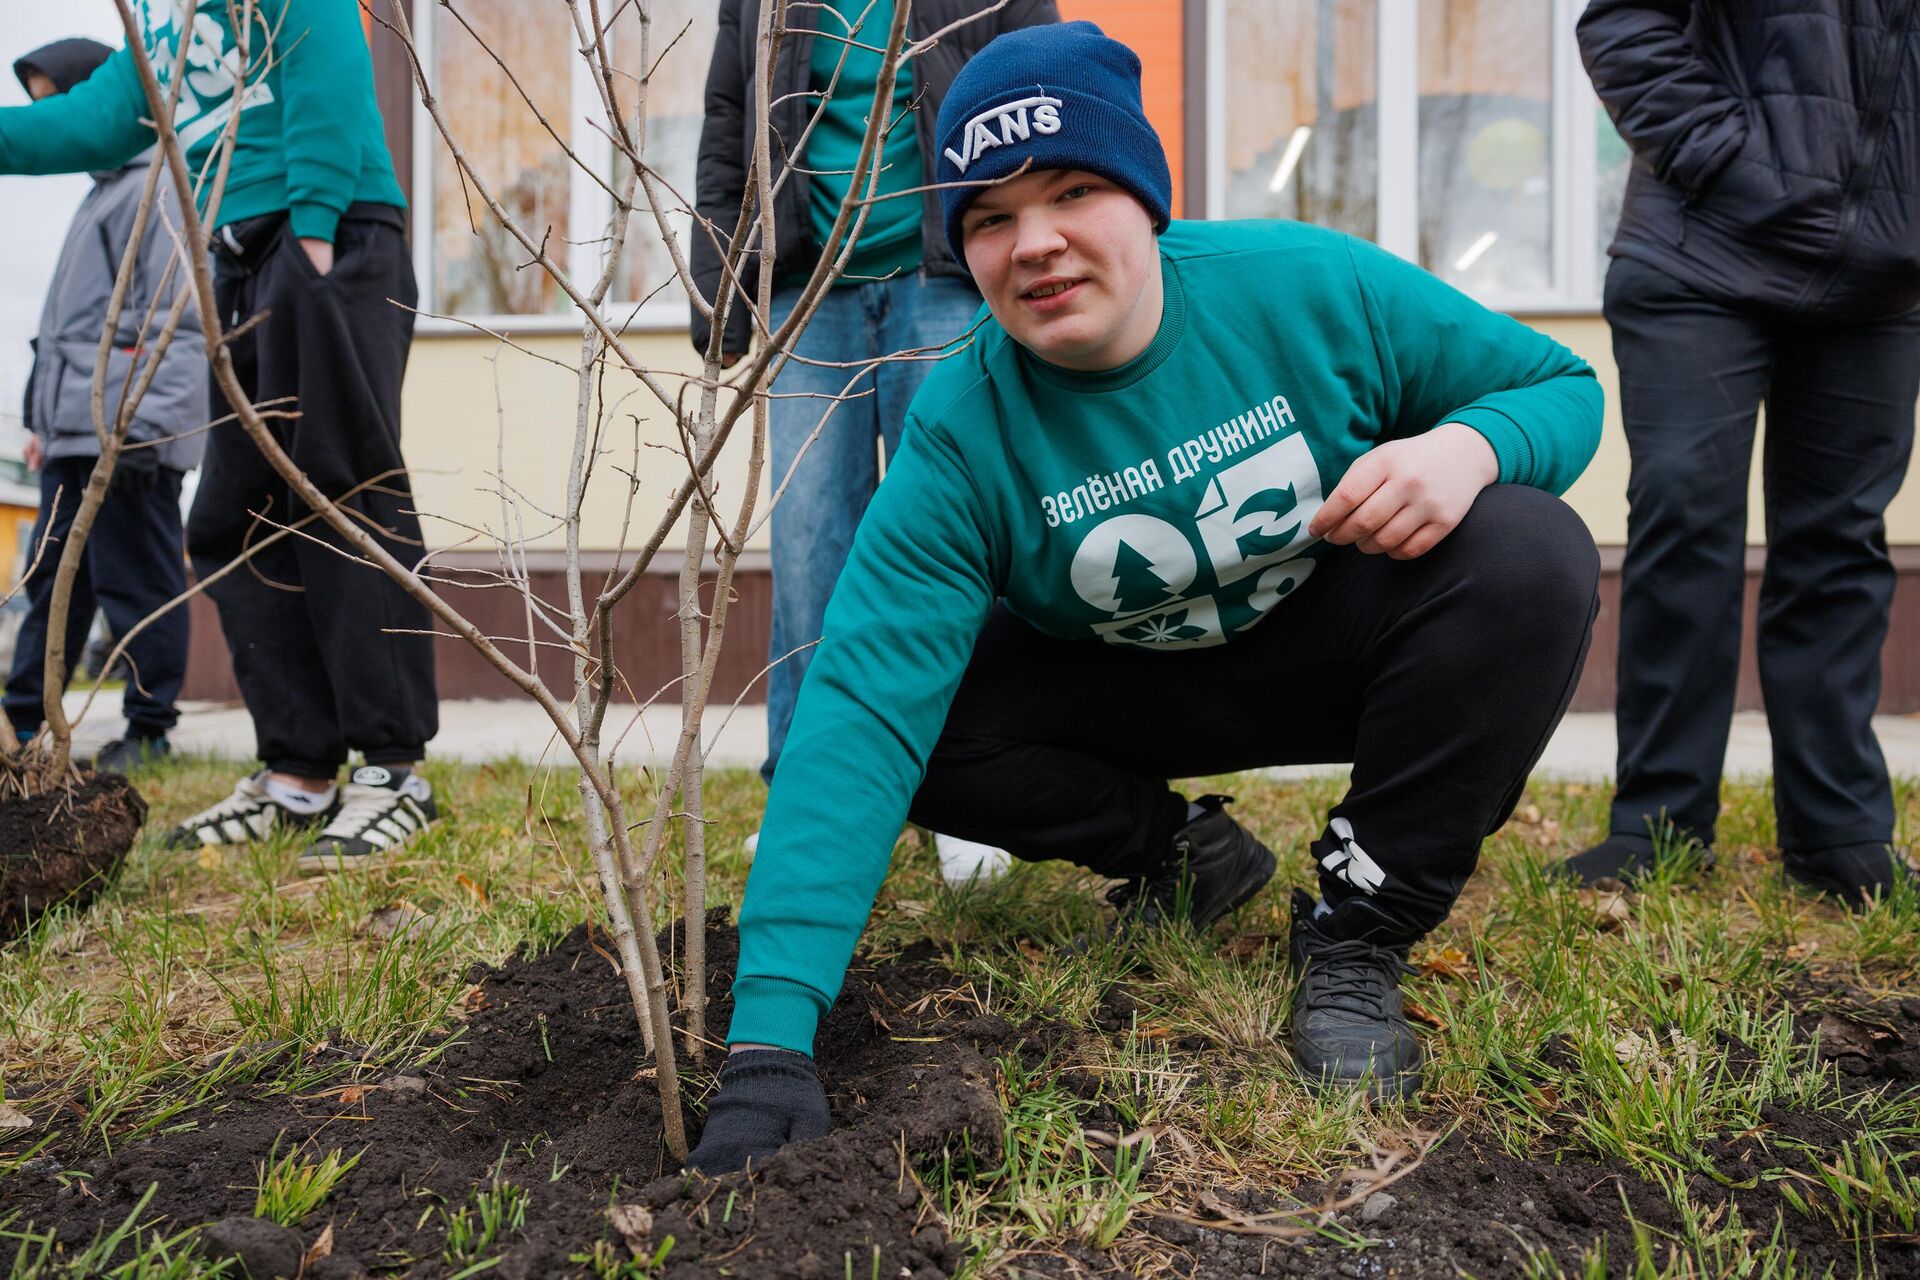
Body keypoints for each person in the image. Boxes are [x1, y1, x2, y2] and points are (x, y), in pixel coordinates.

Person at [683, 21, 1605, 1173]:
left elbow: (1557, 385)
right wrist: (770, 1040)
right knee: (912, 720)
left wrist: (1471, 446)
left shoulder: (1305, 286)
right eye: (988, 216)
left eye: (1072, 190)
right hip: (1124, 687)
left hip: (1331, 649)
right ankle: (1177, 852)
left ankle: (1358, 932)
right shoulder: (963, 430)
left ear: (1146, 197)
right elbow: (860, 709)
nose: (1037, 243)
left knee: (1527, 550)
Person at [0, 2, 441, 869]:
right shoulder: (160, 23)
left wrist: (314, 223)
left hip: (329, 237)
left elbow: (328, 59)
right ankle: (298, 774)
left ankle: (394, 772)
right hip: (236, 262)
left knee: (340, 497)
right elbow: (91, 123)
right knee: (234, 519)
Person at [1564, 2, 1920, 907]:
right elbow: (1624, 25)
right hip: (1702, 255)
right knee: (1688, 516)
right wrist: (1738, 164)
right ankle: (1659, 823)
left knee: (1842, 540)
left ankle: (1841, 833)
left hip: (1880, 280)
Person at [692, 0, 1056, 883]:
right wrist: (718, 293)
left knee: (960, 546)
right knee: (812, 552)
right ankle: (809, 795)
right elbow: (726, 126)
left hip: (946, 281)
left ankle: (972, 793)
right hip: (805, 294)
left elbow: (1044, 92)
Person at [3, 38, 205, 775]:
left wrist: (141, 428)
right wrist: (43, 423)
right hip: (72, 436)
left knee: (138, 581)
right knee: (50, 580)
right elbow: (65, 331)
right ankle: (23, 720)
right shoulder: (101, 194)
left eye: (58, 102)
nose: (49, 120)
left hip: (125, 436)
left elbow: (175, 323)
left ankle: (150, 727)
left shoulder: (156, 185)